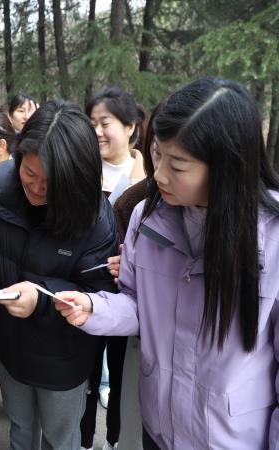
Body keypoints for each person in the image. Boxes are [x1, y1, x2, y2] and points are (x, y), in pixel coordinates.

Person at [55, 78, 279, 450]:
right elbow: (136, 302)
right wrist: (94, 308)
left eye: (177, 164)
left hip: (232, 438)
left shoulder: (272, 237)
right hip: (160, 427)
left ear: (226, 165)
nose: (158, 175)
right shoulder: (149, 218)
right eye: (157, 155)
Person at [0, 100, 118, 450]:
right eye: (29, 173)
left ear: (75, 178)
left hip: (64, 359)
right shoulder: (1, 182)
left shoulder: (95, 217)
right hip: (11, 346)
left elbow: (99, 294)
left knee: (59, 439)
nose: (35, 188)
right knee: (20, 430)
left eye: (50, 183)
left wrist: (43, 298)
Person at [81, 86, 147, 450]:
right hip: (87, 293)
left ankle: (115, 439)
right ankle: (83, 439)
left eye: (105, 122)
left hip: (127, 298)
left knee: (122, 376)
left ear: (130, 126)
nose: (97, 132)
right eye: (92, 123)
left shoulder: (149, 179)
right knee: (87, 374)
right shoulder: (81, 170)